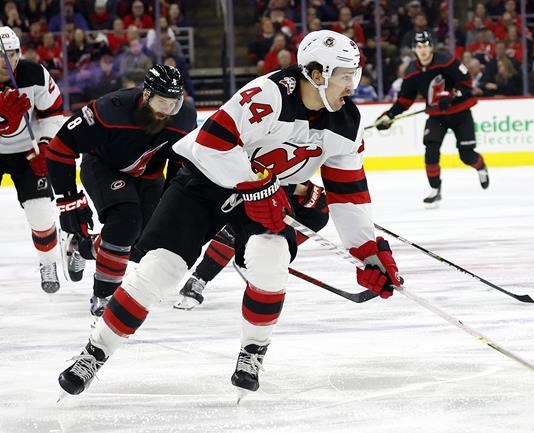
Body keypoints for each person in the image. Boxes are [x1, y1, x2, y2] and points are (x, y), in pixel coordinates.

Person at [57, 30, 402, 398]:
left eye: (354, 74)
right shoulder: (268, 95)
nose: (352, 85)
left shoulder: (348, 124)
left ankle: (252, 352)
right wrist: (258, 184)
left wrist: (366, 251)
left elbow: (349, 194)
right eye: (345, 76)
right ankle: (94, 353)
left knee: (271, 258)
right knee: (160, 269)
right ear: (317, 74)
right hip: (206, 182)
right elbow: (212, 144)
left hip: (266, 191)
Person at [45, 64, 197, 318]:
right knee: (126, 221)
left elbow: (180, 162)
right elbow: (59, 149)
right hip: (104, 167)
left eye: (174, 103)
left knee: (142, 244)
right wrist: (69, 201)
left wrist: (173, 202)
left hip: (148, 177)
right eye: (162, 102)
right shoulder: (110, 109)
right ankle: (104, 298)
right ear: (146, 95)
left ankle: (81, 247)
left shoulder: (185, 118)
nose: (168, 110)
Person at [375, 31, 489, 207]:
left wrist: (451, 94)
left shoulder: (447, 60)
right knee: (431, 150)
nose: (423, 50)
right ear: (414, 49)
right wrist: (389, 115)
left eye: (426, 46)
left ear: (432, 47)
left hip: (460, 112)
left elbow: (466, 82)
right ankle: (435, 189)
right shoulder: (411, 71)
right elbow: (405, 100)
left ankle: (481, 167)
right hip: (437, 116)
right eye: (419, 46)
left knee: (466, 155)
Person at [174, 181, 329, 310]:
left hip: (283, 189)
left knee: (319, 214)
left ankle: (265, 257)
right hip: (251, 187)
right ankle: (199, 279)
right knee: (245, 221)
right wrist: (300, 189)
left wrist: (311, 192)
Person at [0, 26, 65, 293]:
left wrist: (46, 147)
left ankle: (48, 263)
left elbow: (53, 113)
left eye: (12, 54)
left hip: (28, 152)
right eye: (1, 55)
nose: (7, 61)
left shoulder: (35, 74)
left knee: (40, 212)